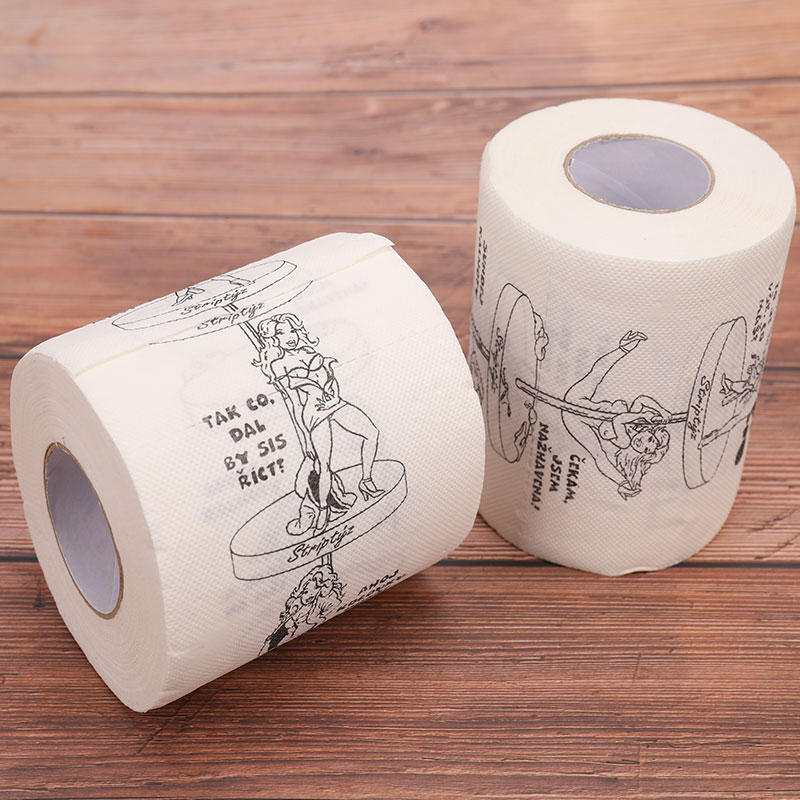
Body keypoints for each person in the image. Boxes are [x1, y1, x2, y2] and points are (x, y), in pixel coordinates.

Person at [253, 313, 384, 534]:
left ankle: (366, 481)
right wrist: (305, 438)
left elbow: (329, 379)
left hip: (335, 403)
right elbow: (295, 402)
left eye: (292, 331)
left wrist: (333, 393)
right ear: (274, 339)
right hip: (314, 414)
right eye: (281, 333)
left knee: (372, 433)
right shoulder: (279, 365)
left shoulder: (309, 352)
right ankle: (323, 509)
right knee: (324, 464)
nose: (290, 337)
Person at [562, 331, 673, 500]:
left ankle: (621, 483)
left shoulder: (625, 441)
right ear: (649, 431)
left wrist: (623, 483)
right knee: (596, 373)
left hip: (575, 419)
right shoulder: (636, 421)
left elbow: (618, 420)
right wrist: (662, 411)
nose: (643, 443)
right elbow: (642, 399)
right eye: (650, 439)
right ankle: (623, 349)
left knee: (597, 452)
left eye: (644, 449)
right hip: (578, 400)